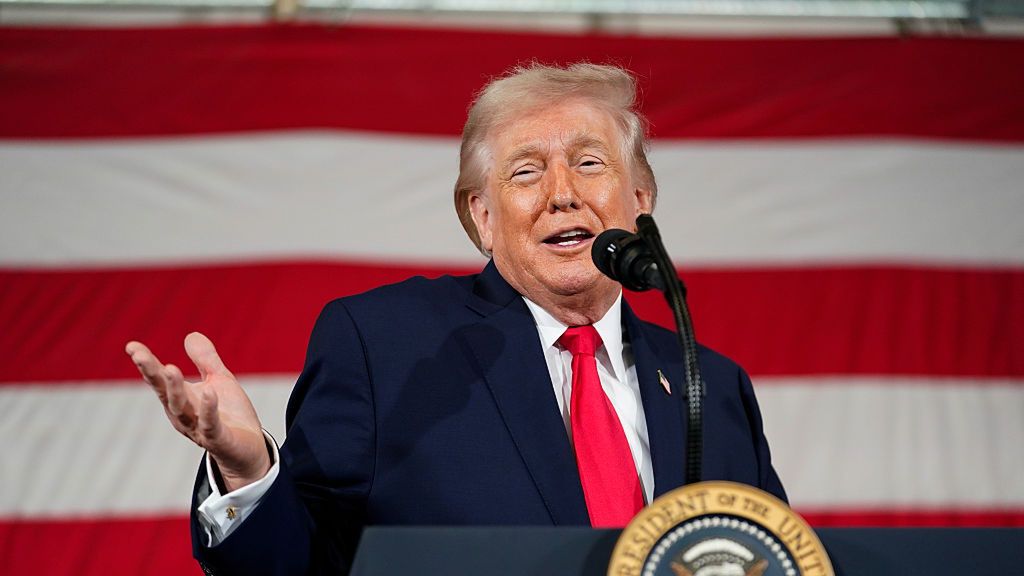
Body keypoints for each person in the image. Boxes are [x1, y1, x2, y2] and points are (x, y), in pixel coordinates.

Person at [126, 62, 785, 576]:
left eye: (589, 163)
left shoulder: (711, 385)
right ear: (483, 217)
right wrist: (248, 474)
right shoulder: (387, 347)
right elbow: (298, 567)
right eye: (526, 172)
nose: (562, 193)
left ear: (640, 200)